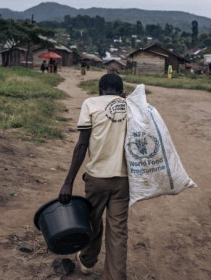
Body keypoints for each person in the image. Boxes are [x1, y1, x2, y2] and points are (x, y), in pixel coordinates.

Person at [59, 74, 128, 280]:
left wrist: (68, 182)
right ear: (121, 92)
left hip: (96, 178)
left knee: (93, 221)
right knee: (118, 232)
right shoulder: (130, 106)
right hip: (123, 180)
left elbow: (82, 145)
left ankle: (88, 261)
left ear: (99, 90)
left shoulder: (90, 104)